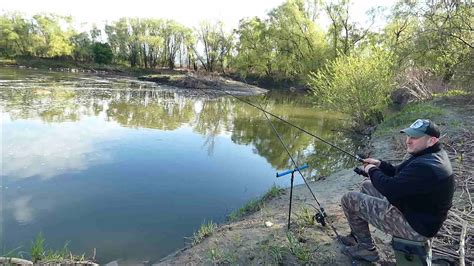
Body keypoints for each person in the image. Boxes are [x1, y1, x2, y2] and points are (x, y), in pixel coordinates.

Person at [340, 119, 455, 262]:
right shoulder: (430, 155)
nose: (408, 141)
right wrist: (379, 164)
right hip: (416, 212)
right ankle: (357, 236)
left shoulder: (426, 166)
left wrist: (371, 169)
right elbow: (397, 174)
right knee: (367, 185)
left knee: (349, 199)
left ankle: (367, 249)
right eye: (408, 136)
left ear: (431, 140)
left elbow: (390, 188)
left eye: (414, 137)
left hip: (416, 227)